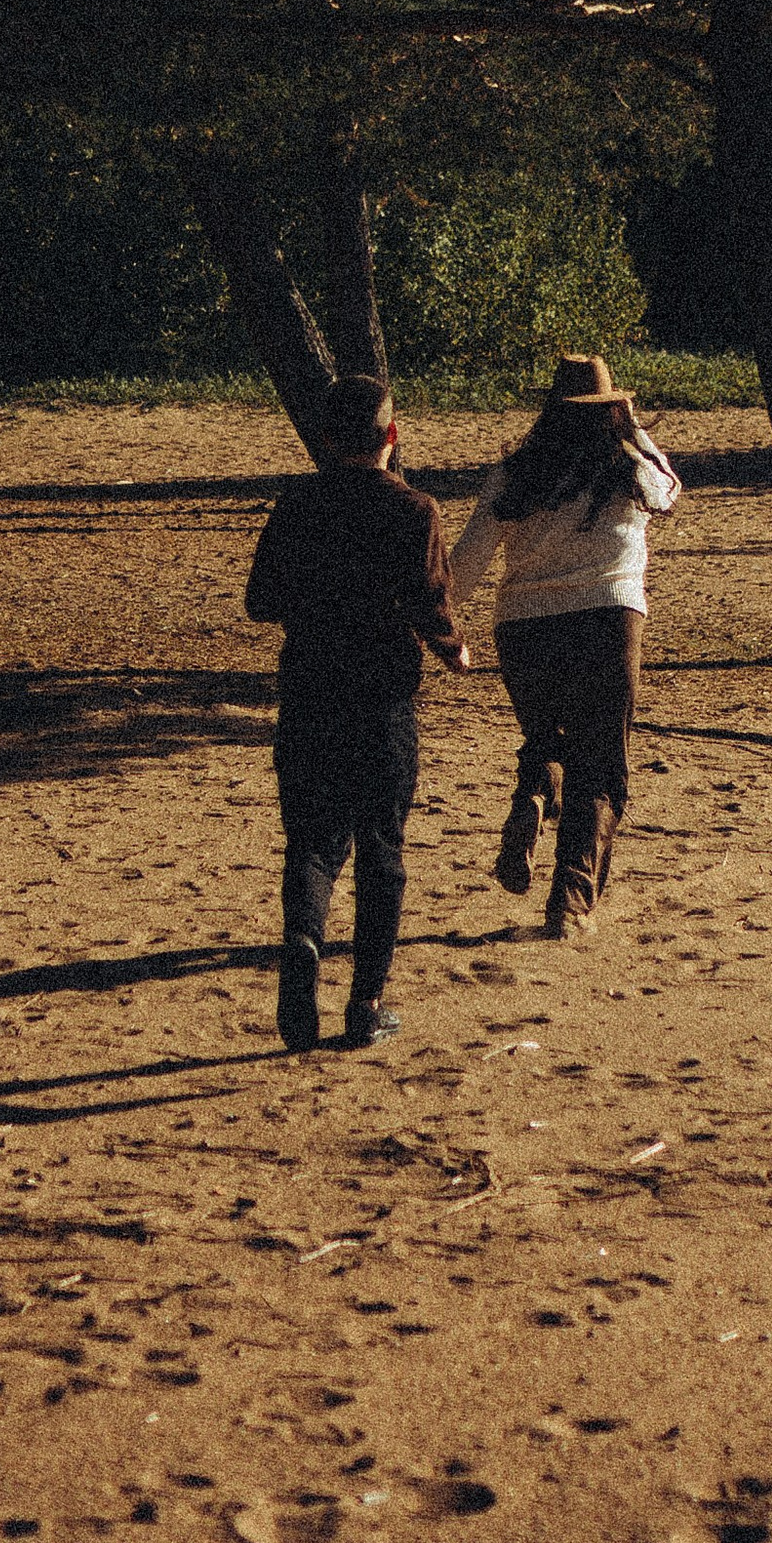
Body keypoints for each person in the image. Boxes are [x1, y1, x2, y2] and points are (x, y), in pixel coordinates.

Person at [244, 371, 470, 1054]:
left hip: (310, 689)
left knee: (312, 843)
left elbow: (262, 601)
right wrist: (452, 649)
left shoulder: (297, 505)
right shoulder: (414, 510)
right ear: (390, 437)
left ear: (324, 438)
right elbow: (430, 605)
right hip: (382, 699)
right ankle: (366, 1002)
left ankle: (305, 940)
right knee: (382, 846)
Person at [449, 352, 681, 941]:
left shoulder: (516, 474)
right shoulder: (630, 467)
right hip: (608, 616)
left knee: (546, 737)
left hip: (524, 626)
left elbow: (467, 564)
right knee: (599, 763)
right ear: (611, 408)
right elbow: (670, 487)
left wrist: (438, 623)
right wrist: (632, 426)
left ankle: (532, 793)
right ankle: (570, 901)